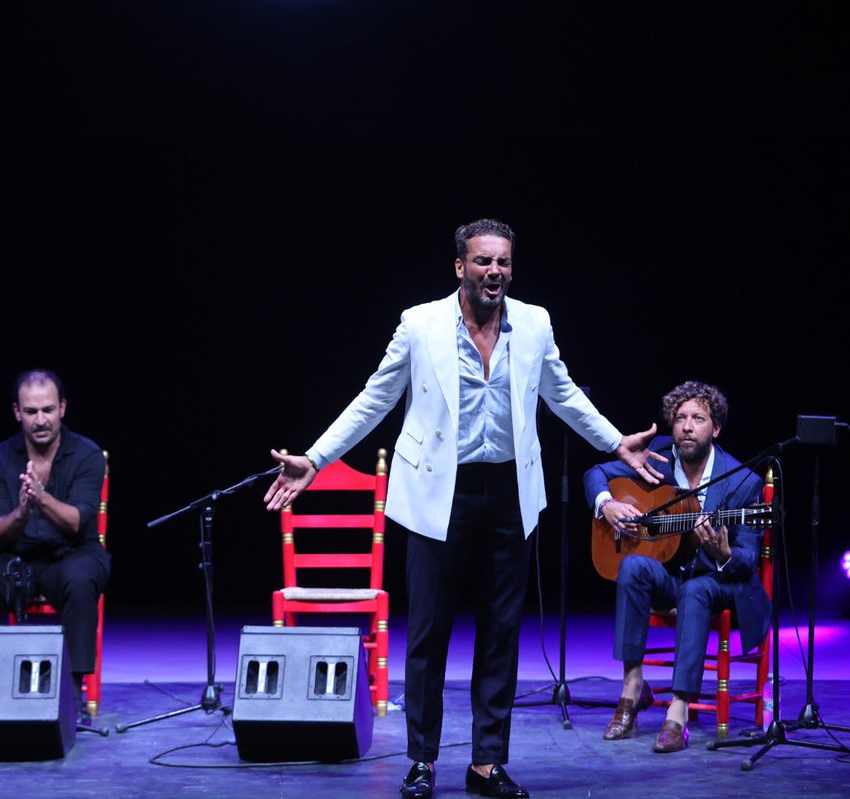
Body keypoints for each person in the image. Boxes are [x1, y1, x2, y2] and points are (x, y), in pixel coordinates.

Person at [264, 218, 664, 799]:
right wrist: (317, 459)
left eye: (503, 262)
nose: (494, 272)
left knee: (501, 632)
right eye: (482, 262)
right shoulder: (420, 324)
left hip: (508, 492)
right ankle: (422, 760)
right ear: (460, 267)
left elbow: (562, 392)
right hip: (437, 493)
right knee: (428, 634)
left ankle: (486, 763)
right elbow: (375, 397)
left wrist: (612, 441)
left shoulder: (535, 323)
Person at [584, 380, 768, 753]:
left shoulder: (742, 481)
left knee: (696, 589)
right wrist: (608, 505)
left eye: (698, 418)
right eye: (680, 417)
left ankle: (679, 709)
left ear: (715, 428)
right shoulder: (659, 458)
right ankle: (633, 686)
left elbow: (748, 561)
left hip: (718, 584)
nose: (686, 426)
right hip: (673, 577)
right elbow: (595, 475)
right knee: (634, 566)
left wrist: (722, 552)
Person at [0, 369, 109, 725]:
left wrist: (41, 497)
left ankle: (71, 693)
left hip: (72, 553)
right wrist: (23, 510)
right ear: (17, 412)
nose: (41, 420)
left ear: (63, 408)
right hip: (13, 555)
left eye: (48, 410)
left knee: (81, 581)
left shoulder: (87, 454)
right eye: (31, 411)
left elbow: (77, 522)